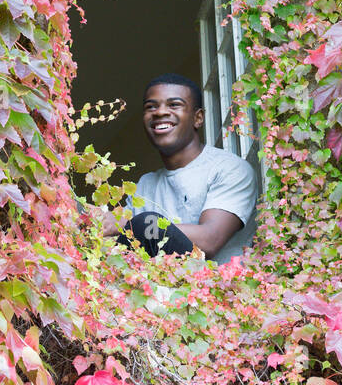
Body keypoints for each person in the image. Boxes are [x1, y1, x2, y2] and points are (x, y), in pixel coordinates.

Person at [97, 73, 261, 262]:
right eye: (151, 107)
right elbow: (122, 242)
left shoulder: (229, 169)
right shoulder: (145, 184)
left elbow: (210, 240)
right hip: (155, 288)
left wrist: (129, 225)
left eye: (174, 105)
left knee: (144, 223)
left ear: (198, 118)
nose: (159, 112)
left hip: (216, 287)